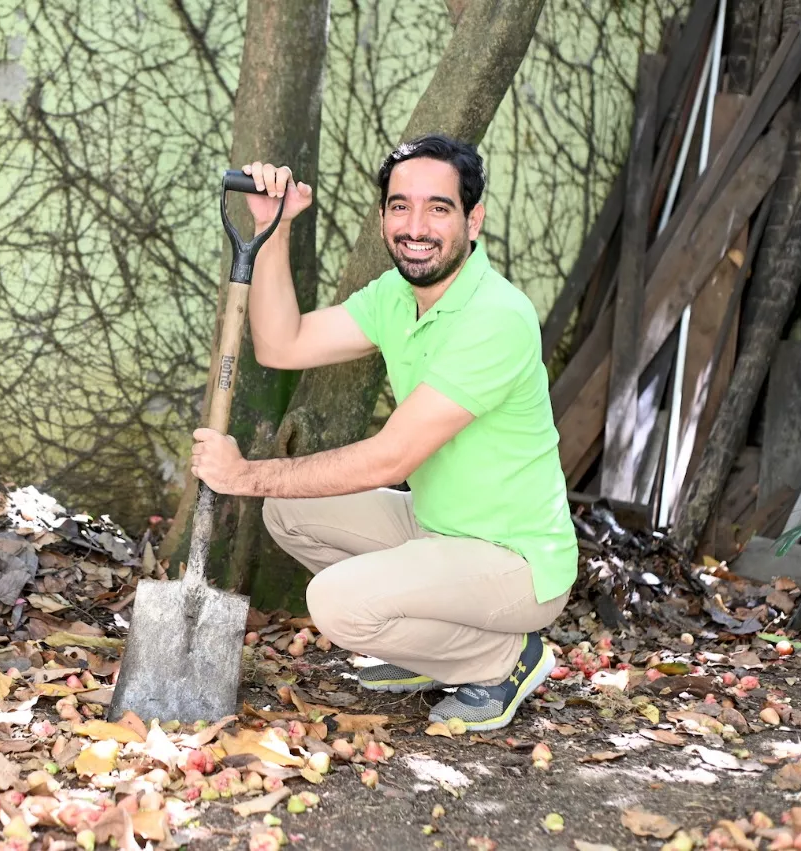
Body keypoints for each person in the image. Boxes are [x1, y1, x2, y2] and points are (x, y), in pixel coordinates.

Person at [188, 134, 578, 731]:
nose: (415, 225)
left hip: (515, 561)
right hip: (435, 527)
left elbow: (388, 459)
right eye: (401, 206)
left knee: (337, 603)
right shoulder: (398, 296)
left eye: (438, 208)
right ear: (383, 216)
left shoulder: (497, 318)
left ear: (473, 220)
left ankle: (506, 658)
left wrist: (244, 474)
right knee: (287, 514)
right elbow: (281, 344)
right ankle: (434, 653)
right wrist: (275, 228)